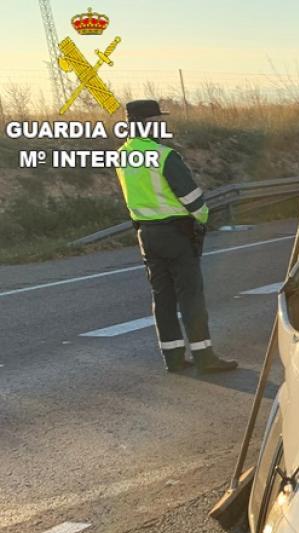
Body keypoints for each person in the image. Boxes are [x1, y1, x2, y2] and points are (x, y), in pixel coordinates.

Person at [115, 99, 236, 374]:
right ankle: (205, 357)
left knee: (163, 298)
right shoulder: (164, 156)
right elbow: (192, 199)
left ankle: (172, 357)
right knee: (191, 296)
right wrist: (203, 218)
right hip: (176, 234)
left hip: (145, 234)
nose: (162, 126)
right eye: (159, 121)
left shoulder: (122, 156)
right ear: (148, 124)